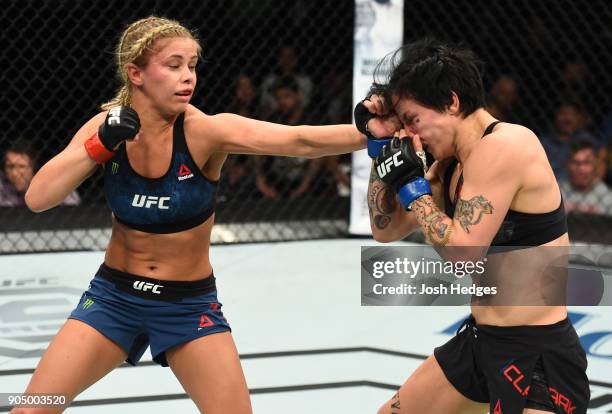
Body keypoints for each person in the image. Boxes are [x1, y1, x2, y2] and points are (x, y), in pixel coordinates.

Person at [14, 16, 365, 414]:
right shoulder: (104, 128)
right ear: (136, 73)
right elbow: (38, 198)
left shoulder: (206, 132)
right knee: (32, 408)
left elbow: (299, 139)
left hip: (187, 306)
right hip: (113, 299)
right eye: (174, 64)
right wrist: (99, 144)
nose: (188, 77)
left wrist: (372, 131)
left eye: (193, 65)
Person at [356, 38, 590, 414]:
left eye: (414, 120)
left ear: (451, 101)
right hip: (481, 344)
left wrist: (412, 189)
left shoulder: (507, 145)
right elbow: (385, 228)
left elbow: (464, 255)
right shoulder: (450, 166)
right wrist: (380, 145)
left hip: (538, 357)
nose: (414, 136)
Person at [0, 139, 80, 207]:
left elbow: (73, 204)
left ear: (33, 167)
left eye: (21, 166)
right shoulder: (2, 185)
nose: (14, 173)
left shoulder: (51, 182)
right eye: (10, 166)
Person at [560, 140, 612, 216]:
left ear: (595, 165)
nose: (581, 169)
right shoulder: (557, 191)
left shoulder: (608, 196)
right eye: (576, 163)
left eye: (587, 163)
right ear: (568, 164)